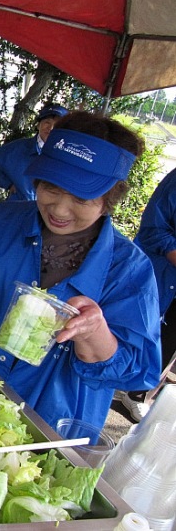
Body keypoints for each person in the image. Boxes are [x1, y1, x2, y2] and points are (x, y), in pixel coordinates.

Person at [0, 111, 161, 433]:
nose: (59, 208)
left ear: (110, 200)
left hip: (48, 428)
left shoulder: (129, 271)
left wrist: (96, 334)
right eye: (51, 188)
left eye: (81, 198)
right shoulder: (4, 220)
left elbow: (139, 371)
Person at [115, 168, 176, 421]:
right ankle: (111, 381)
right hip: (161, 275)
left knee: (171, 336)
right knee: (139, 328)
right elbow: (154, 228)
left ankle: (136, 393)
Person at [0, 103, 68, 202]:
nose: (51, 128)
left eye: (56, 125)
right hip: (17, 211)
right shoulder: (19, 148)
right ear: (38, 125)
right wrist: (8, 184)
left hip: (47, 214)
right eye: (47, 122)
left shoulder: (65, 157)